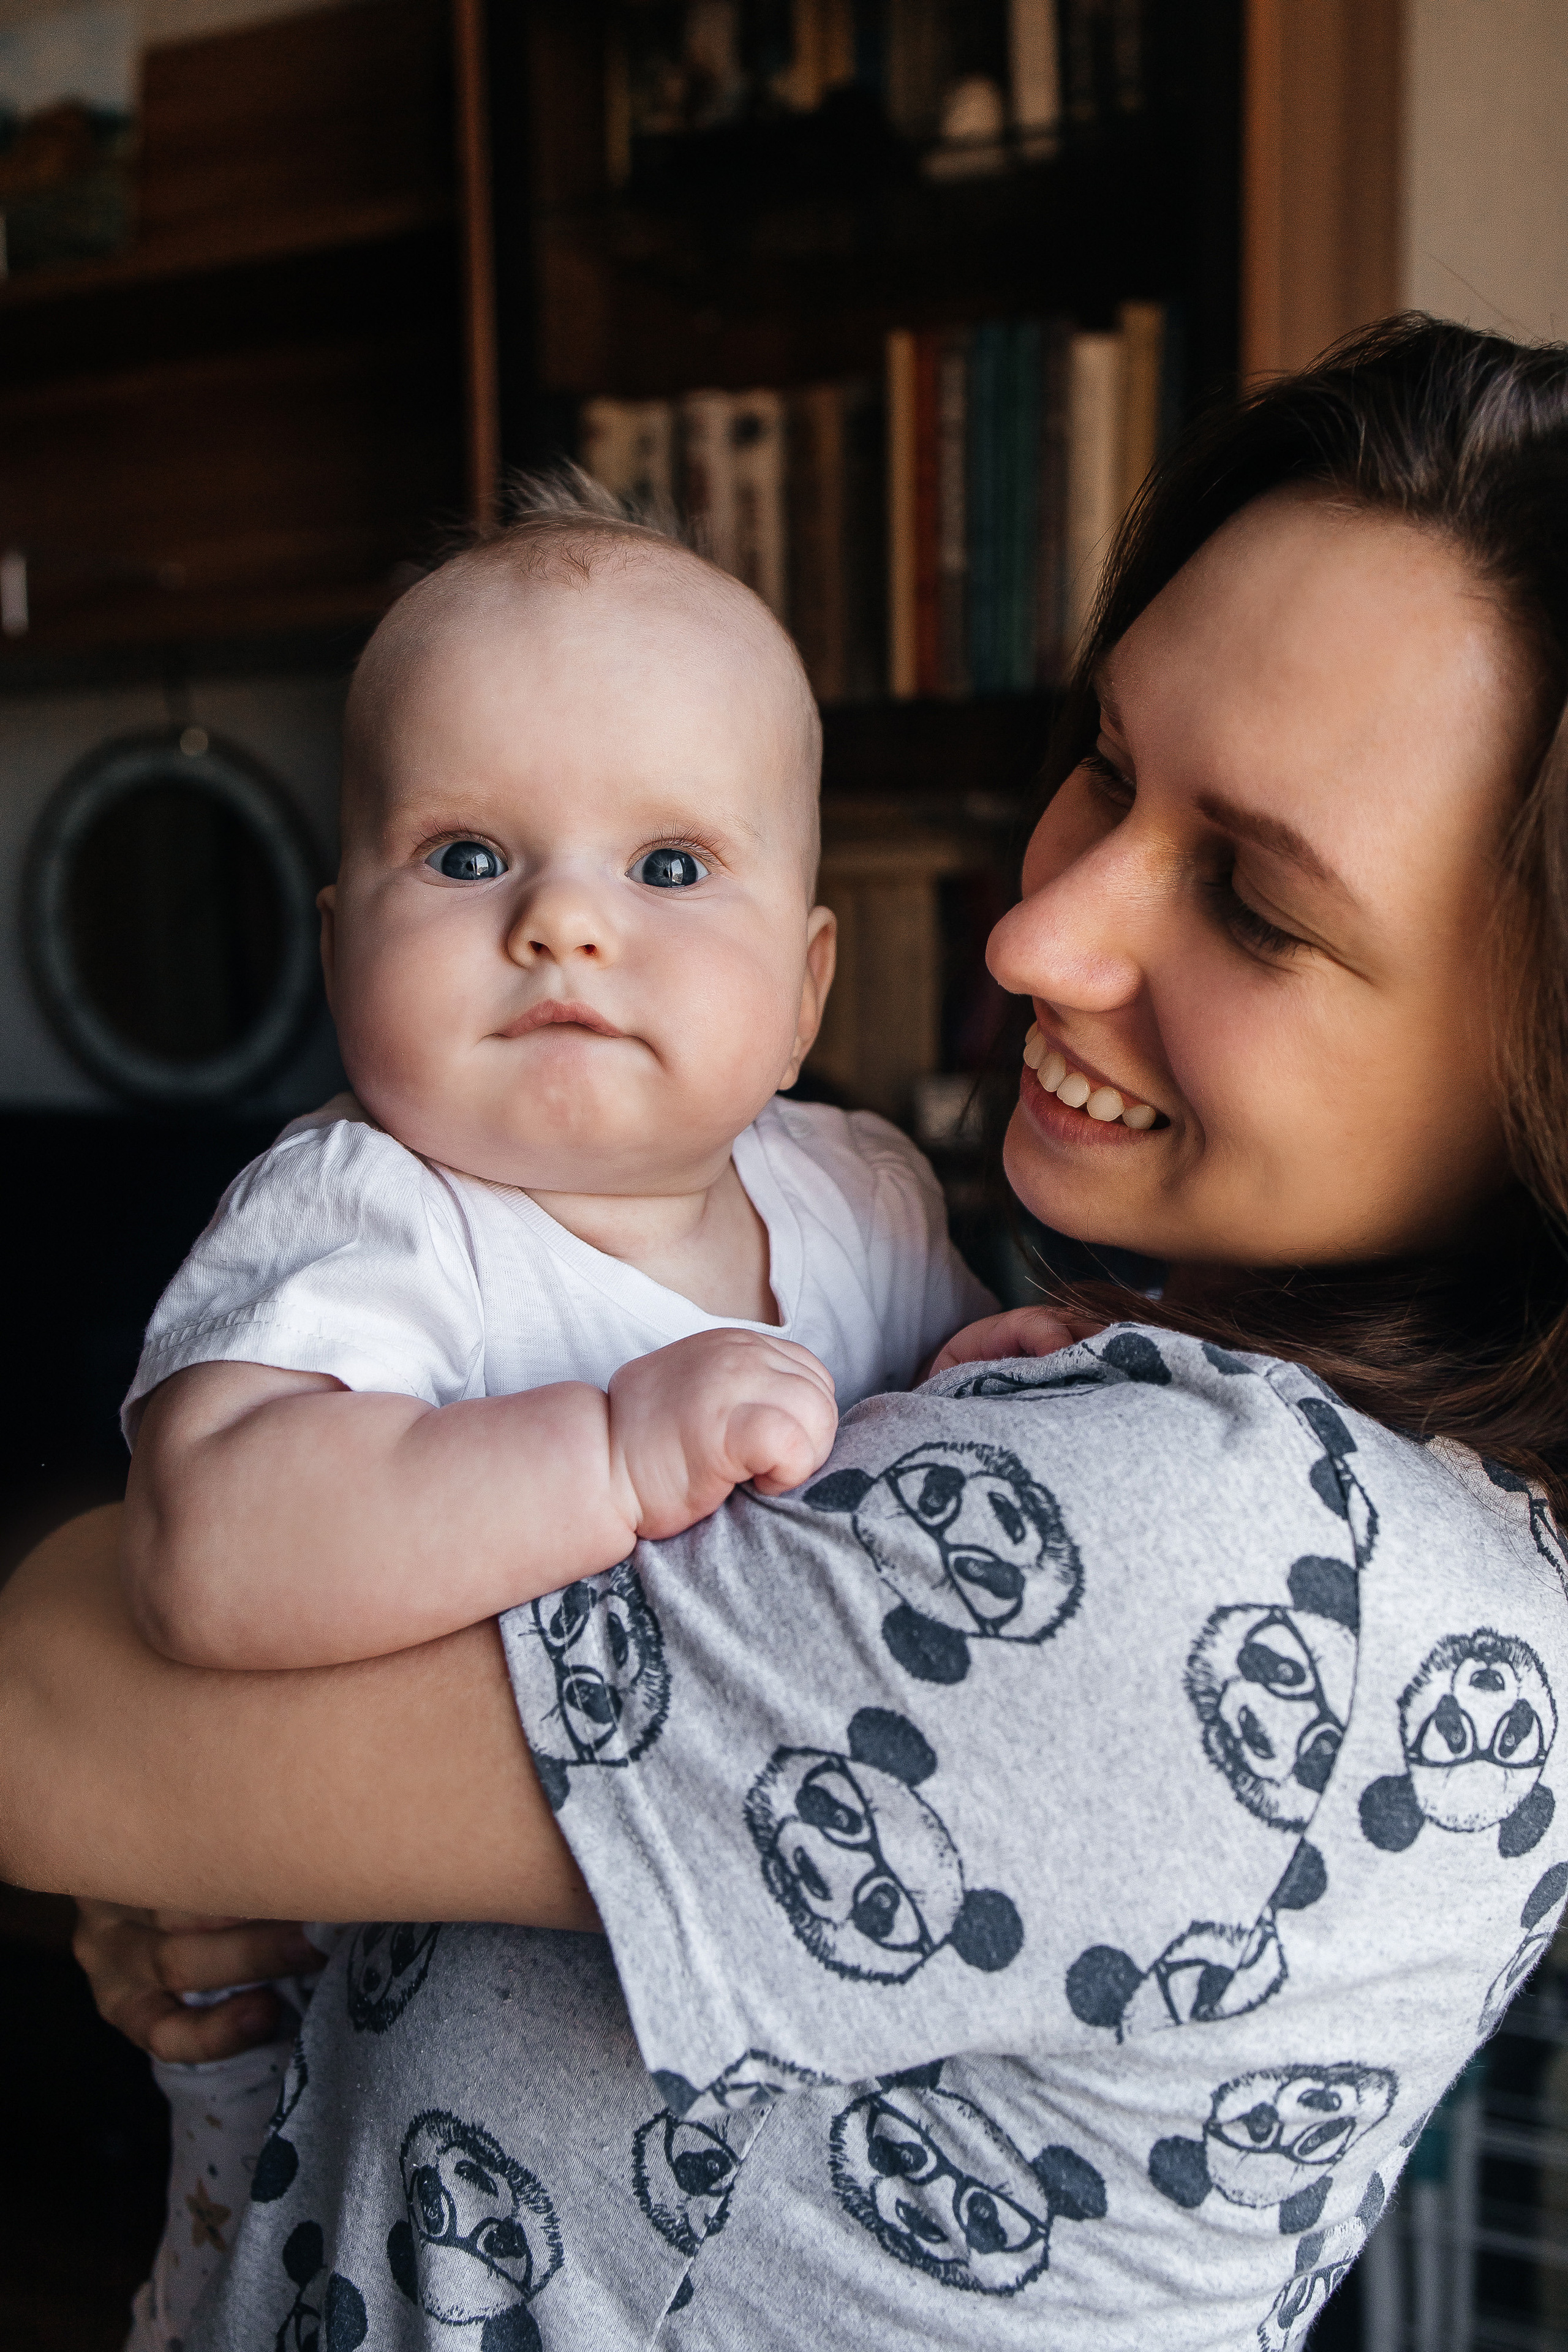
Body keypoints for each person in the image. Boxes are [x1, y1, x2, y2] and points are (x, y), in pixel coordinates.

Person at [9, 313, 1568, 2352]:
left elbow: (52, 1706)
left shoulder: (1225, 1558)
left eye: (1258, 905)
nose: (1033, 938)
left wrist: (196, 1793)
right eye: (1102, 762)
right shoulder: (1145, 1404)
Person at [96, 476, 994, 2346]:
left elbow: (972, 1458)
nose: (563, 925)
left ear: (809, 983)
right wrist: (607, 1451)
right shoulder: (366, 1218)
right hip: (333, 2141)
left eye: (668, 868)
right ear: (344, 942)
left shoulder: (871, 1205)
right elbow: (215, 1547)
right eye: (467, 857)